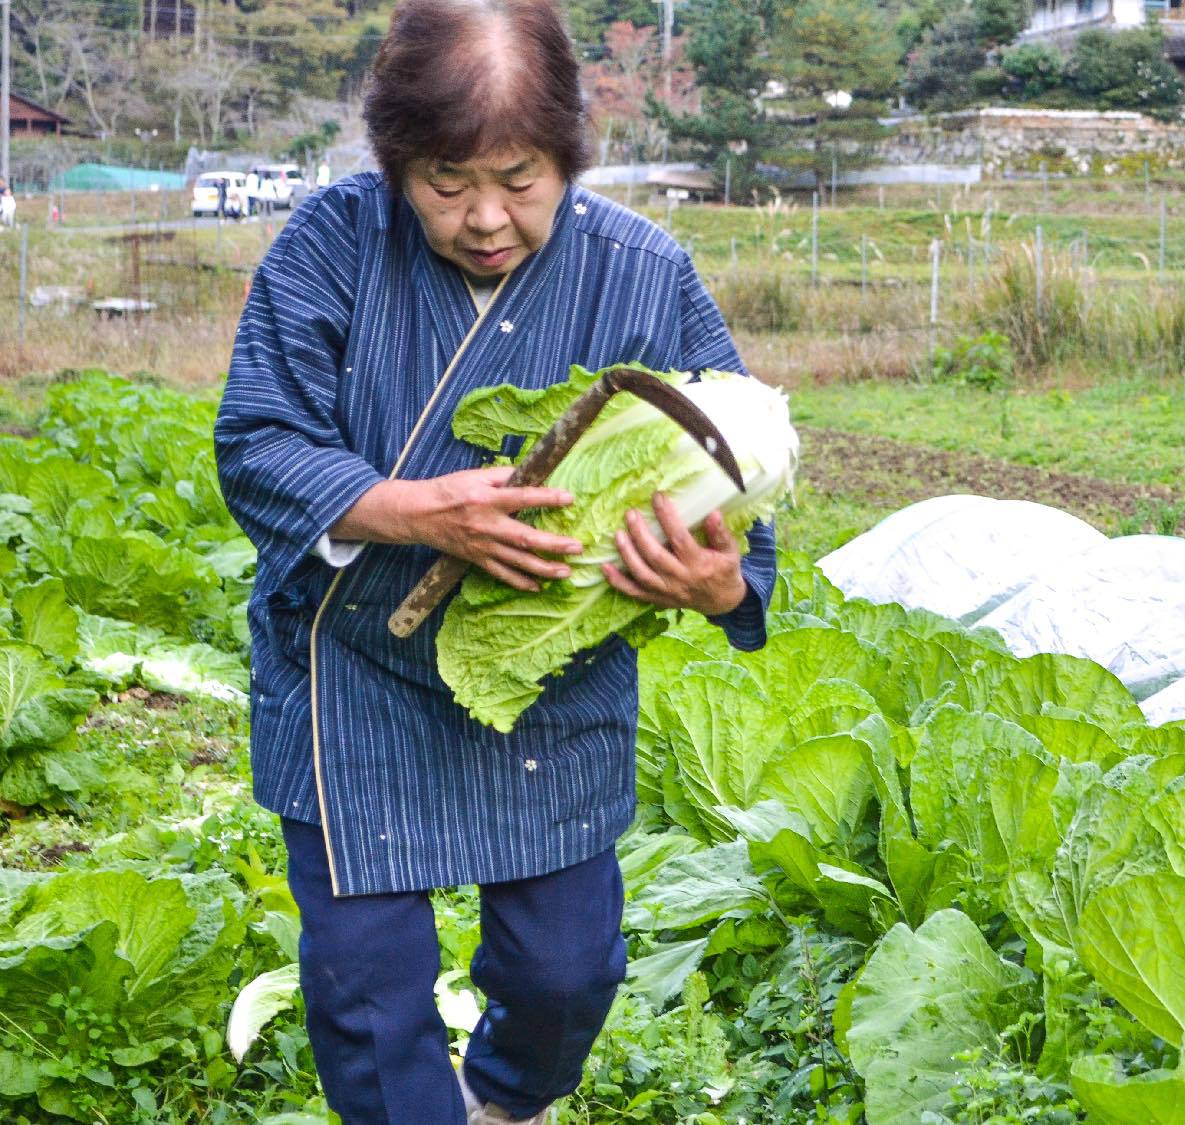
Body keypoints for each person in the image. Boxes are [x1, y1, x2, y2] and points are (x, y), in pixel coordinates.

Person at [211, 1, 775, 1121]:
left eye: (518, 180)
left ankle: (506, 1100)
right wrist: (417, 510)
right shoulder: (328, 245)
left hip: (543, 674)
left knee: (566, 971)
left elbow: (733, 464)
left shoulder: (643, 273)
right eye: (442, 181)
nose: (482, 218)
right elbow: (258, 441)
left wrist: (722, 584)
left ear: (567, 154)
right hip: (354, 671)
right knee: (367, 993)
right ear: (393, 166)